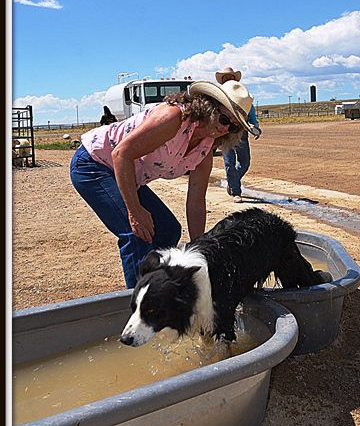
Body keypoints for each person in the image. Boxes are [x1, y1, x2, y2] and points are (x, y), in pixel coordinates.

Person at [70, 79, 258, 289]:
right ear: (209, 106)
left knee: (168, 231)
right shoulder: (174, 118)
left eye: (233, 126)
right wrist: (134, 211)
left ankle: (159, 288)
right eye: (224, 119)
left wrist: (200, 251)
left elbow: (196, 201)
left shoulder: (205, 147)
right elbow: (121, 154)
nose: (225, 128)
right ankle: (138, 306)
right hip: (94, 164)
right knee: (138, 233)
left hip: (127, 174)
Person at [215, 67, 261, 203]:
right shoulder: (218, 98)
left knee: (245, 162)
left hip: (241, 133)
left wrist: (256, 128)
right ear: (222, 81)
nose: (228, 79)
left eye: (230, 77)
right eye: (225, 78)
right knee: (229, 163)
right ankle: (236, 191)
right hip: (224, 133)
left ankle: (232, 181)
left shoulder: (244, 97)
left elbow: (251, 113)